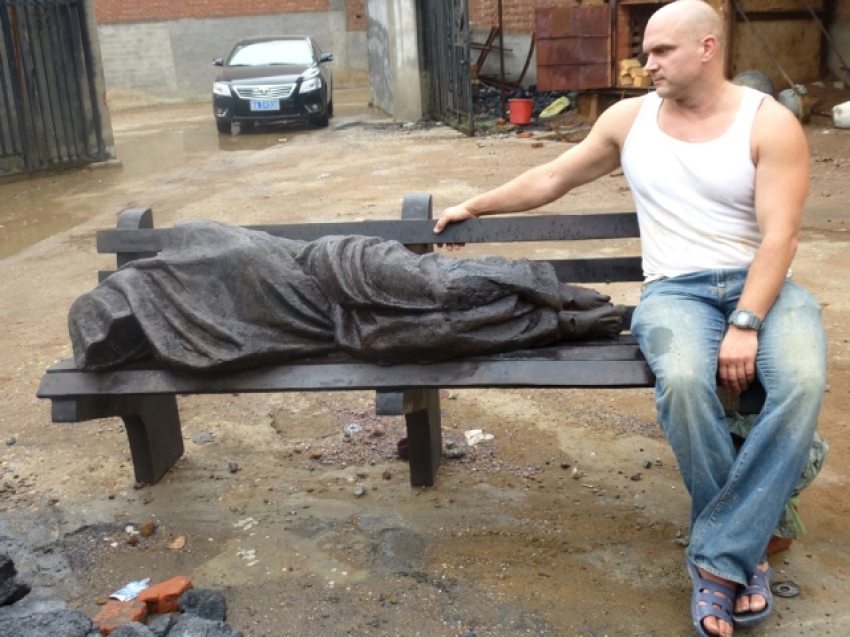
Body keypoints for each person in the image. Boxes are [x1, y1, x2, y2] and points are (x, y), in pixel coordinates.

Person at [433, 1, 826, 636]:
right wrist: (474, 205)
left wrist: (746, 322)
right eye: (646, 52)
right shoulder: (628, 120)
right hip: (676, 293)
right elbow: (553, 176)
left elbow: (780, 237)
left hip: (764, 287)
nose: (648, 64)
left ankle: (720, 558)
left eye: (662, 51)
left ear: (707, 48)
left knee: (802, 382)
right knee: (684, 381)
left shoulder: (770, 123)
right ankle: (742, 553)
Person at [68, 220, 624, 371]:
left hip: (339, 267)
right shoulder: (193, 343)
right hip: (337, 327)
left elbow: (270, 254)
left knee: (446, 285)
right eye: (126, 340)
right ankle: (563, 324)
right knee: (433, 332)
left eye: (124, 327)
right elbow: (260, 343)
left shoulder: (193, 240)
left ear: (128, 296)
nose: (134, 337)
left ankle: (558, 294)